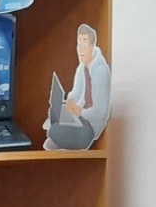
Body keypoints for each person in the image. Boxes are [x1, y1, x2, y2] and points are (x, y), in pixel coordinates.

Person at [43, 23, 111, 151]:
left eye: (84, 45)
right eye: (79, 45)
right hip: (80, 116)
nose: (80, 50)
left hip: (91, 125)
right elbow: (76, 92)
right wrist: (70, 101)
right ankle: (61, 131)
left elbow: (100, 113)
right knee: (56, 110)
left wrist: (80, 112)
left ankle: (60, 134)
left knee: (53, 131)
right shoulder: (81, 67)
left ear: (92, 46)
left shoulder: (100, 71)